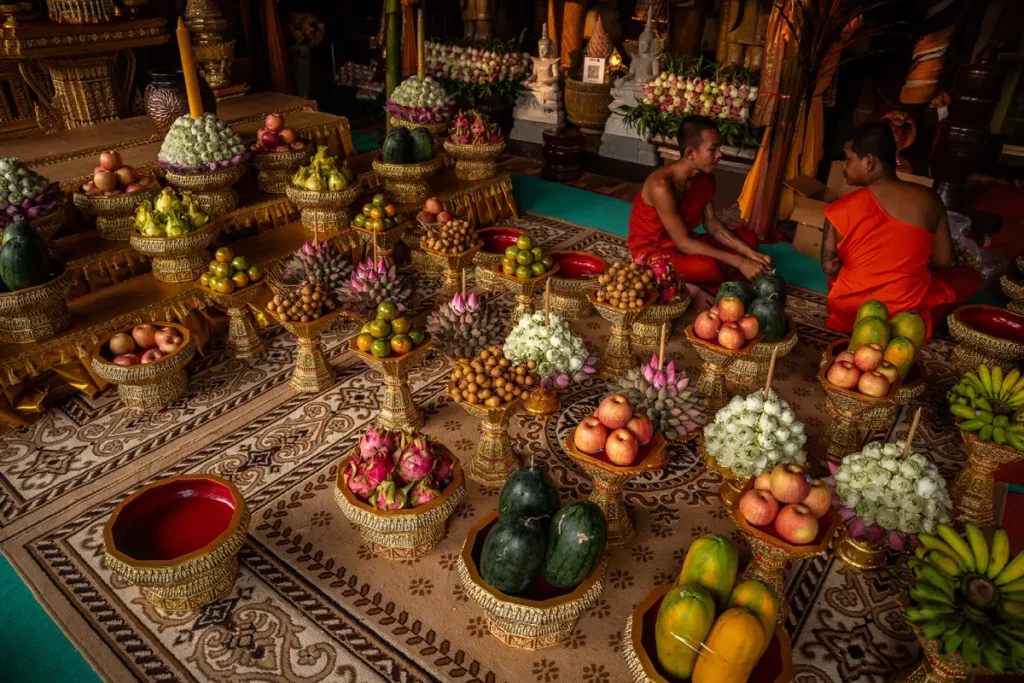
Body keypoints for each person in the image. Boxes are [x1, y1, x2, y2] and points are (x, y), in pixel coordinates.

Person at [822, 122, 981, 340]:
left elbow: (829, 267)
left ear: (869, 161)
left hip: (851, 310)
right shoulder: (930, 199)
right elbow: (943, 262)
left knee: (837, 280)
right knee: (970, 277)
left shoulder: (839, 209)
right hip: (905, 311)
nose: (844, 167)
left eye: (848, 159)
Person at [628, 115, 771, 310]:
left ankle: (698, 280)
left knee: (749, 239)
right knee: (709, 268)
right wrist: (740, 262)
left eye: (719, 148)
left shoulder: (704, 177)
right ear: (690, 153)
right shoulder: (660, 186)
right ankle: (689, 288)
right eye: (713, 149)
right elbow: (684, 244)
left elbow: (712, 224)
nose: (720, 154)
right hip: (655, 254)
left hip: (684, 244)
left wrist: (750, 254)